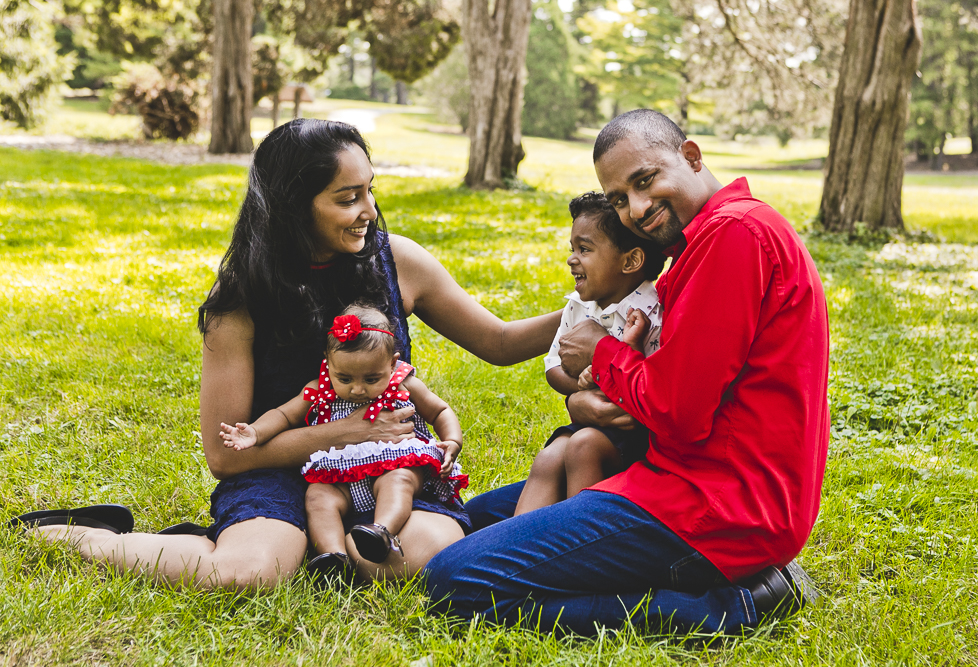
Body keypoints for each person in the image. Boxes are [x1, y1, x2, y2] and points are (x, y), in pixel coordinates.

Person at [12, 118, 560, 589]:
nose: (368, 210)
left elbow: (500, 343)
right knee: (247, 574)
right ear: (295, 207)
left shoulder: (396, 261)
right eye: (347, 198)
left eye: (369, 191)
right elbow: (225, 456)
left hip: (388, 468)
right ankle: (77, 534)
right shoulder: (241, 300)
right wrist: (345, 434)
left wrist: (596, 311)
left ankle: (319, 543)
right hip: (278, 470)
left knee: (419, 562)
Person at [424, 109, 830, 635]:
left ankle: (735, 605)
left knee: (455, 580)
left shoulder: (736, 234)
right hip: (665, 472)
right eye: (618, 199)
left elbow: (676, 410)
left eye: (645, 181)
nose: (636, 208)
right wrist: (583, 400)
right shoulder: (702, 243)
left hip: (716, 507)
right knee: (462, 523)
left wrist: (601, 352)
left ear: (691, 156)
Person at [220, 302, 468, 580]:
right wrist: (256, 432)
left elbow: (440, 410)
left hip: (395, 463)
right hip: (340, 477)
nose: (358, 389)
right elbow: (283, 415)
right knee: (317, 497)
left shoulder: (402, 382)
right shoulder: (318, 389)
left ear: (392, 362)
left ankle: (381, 531)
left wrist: (452, 441)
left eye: (372, 378)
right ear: (328, 361)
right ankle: (333, 556)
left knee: (399, 482)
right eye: (345, 378)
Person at [514, 191, 664, 515]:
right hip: (589, 422)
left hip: (638, 440)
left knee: (583, 448)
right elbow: (554, 365)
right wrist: (581, 389)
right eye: (572, 249)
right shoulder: (578, 305)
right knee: (549, 456)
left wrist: (612, 366)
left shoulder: (652, 313)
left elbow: (654, 388)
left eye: (584, 249)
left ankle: (575, 541)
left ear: (630, 260)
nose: (571, 258)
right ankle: (512, 543)